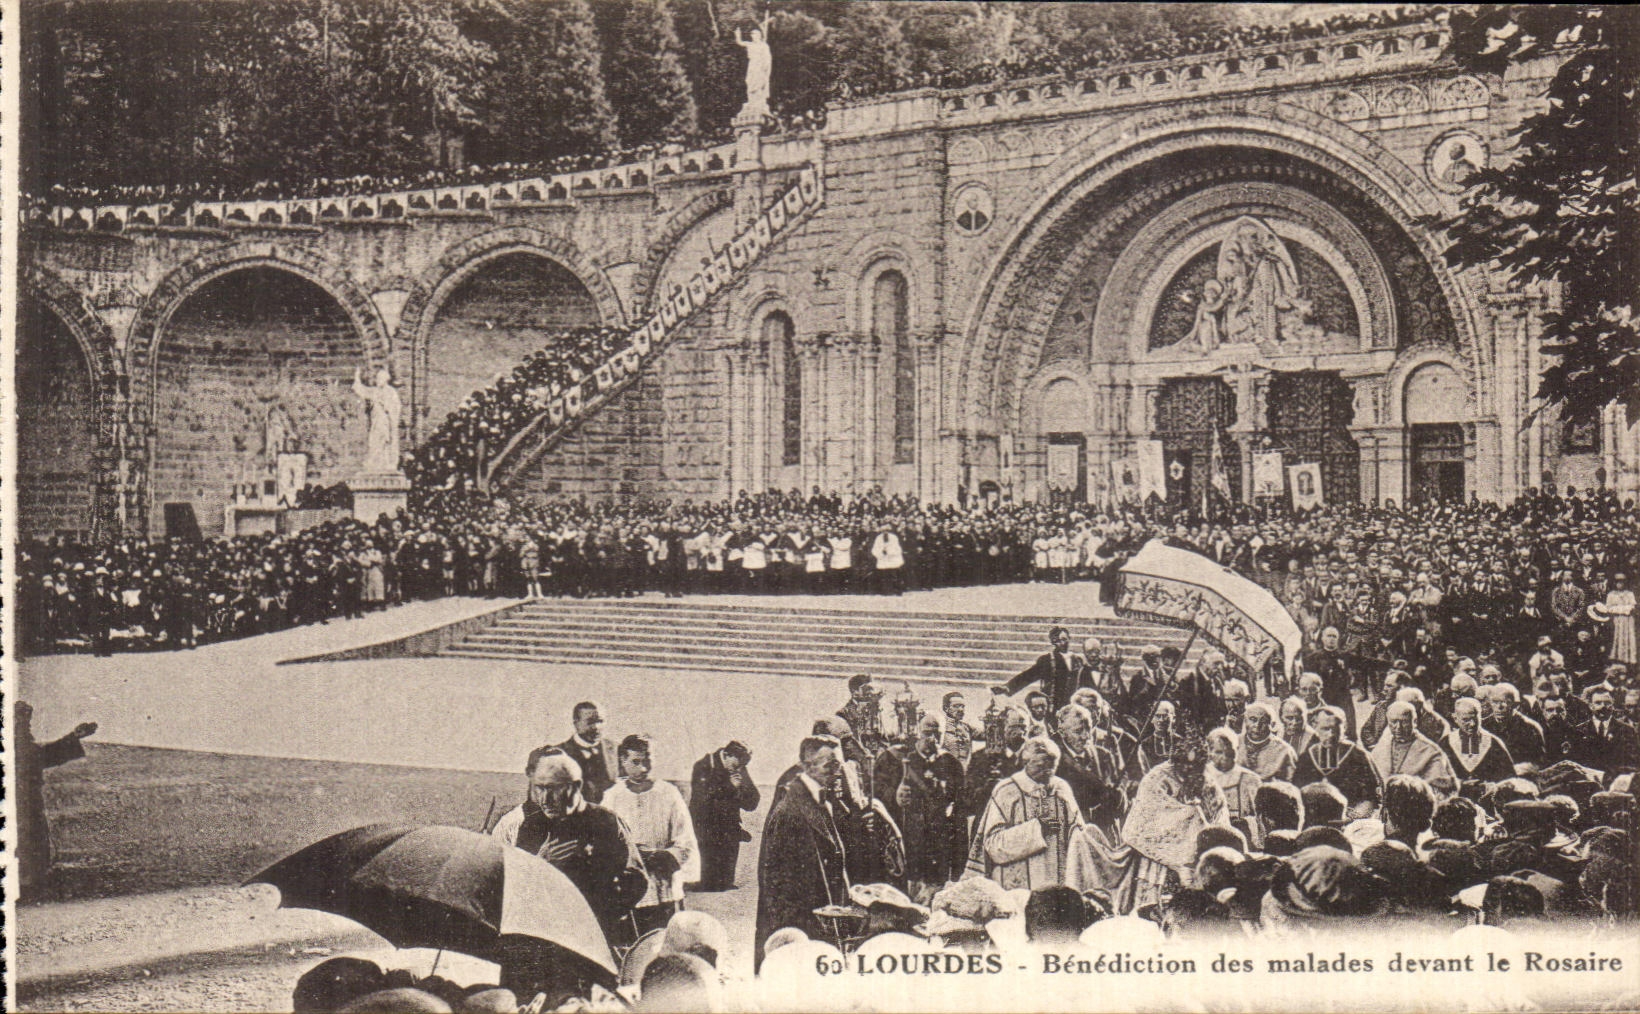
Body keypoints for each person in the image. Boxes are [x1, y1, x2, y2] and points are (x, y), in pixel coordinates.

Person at [490, 748, 647, 944]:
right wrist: (540, 864)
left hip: (595, 937)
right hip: (544, 936)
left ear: (576, 786)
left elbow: (636, 882)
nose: (545, 799)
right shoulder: (530, 825)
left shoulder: (606, 822)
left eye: (554, 789)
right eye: (540, 788)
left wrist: (590, 910)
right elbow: (514, 887)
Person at [755, 736, 857, 969]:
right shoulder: (790, 812)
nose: (837, 772)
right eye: (830, 766)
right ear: (806, 766)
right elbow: (777, 888)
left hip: (822, 926)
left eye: (839, 765)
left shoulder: (819, 800)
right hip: (804, 933)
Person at [604, 735, 699, 936]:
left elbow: (685, 839)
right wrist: (632, 856)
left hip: (664, 886)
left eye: (647, 761)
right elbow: (604, 840)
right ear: (623, 761)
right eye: (635, 762)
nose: (643, 769)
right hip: (628, 888)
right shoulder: (612, 797)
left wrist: (663, 856)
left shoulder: (668, 793)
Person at [963, 736, 1084, 890]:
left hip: (1057, 884)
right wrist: (1036, 830)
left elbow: (1078, 831)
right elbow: (993, 846)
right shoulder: (1007, 791)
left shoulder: (1061, 788)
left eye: (1052, 767)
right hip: (1017, 888)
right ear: (1026, 763)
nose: (1048, 772)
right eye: (1041, 767)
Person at [14, 702, 97, 901]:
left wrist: (74, 736)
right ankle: (27, 885)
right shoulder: (17, 744)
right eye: (23, 721)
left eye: (26, 721)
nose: (26, 726)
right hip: (22, 801)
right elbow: (44, 756)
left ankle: (28, 884)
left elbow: (43, 755)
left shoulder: (21, 744)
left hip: (28, 800)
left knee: (32, 840)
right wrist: (74, 737)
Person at [893, 714, 967, 892]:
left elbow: (960, 804)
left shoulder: (951, 763)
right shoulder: (903, 761)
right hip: (912, 835)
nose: (932, 738)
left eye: (937, 733)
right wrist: (897, 796)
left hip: (940, 837)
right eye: (927, 733)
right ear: (919, 733)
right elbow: (888, 797)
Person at [688, 741, 759, 892]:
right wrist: (729, 787)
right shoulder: (704, 766)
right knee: (708, 880)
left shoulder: (739, 768)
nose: (739, 768)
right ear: (727, 755)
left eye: (742, 765)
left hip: (729, 828)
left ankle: (726, 881)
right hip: (705, 826)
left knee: (726, 881)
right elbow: (702, 802)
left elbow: (753, 801)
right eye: (736, 765)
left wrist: (740, 790)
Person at [1293, 707, 1381, 817]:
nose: (1331, 734)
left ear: (1344, 727)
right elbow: (1297, 793)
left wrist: (1356, 815)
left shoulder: (1358, 756)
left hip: (1351, 817)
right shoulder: (1306, 758)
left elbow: (1372, 797)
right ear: (1316, 728)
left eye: (1335, 729)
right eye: (1325, 729)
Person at [1367, 702, 1457, 800]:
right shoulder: (1383, 745)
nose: (1398, 727)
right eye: (1393, 722)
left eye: (1404, 722)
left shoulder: (1431, 751)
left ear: (1414, 722)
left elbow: (1442, 790)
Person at [1000, 626, 1089, 714]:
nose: (1062, 643)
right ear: (1053, 642)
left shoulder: (1078, 661)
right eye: (1057, 641)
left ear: (1069, 639)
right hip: (1053, 708)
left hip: (1073, 707)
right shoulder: (1047, 660)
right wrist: (1009, 687)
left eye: (1064, 639)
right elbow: (1029, 675)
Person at [1440, 698, 1515, 785]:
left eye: (1475, 719)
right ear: (1456, 719)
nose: (1472, 724)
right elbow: (1438, 777)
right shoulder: (1446, 743)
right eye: (1465, 720)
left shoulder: (1493, 743)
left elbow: (1509, 778)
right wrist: (1459, 783)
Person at [553, 701, 615, 804]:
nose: (596, 727)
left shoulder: (616, 750)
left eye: (600, 721)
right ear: (576, 723)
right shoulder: (558, 754)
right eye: (590, 722)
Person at [1568, 686, 1640, 774]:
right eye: (1598, 703)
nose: (1603, 706)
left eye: (1607, 703)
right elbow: (1576, 763)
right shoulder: (1579, 731)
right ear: (1591, 706)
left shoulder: (1627, 730)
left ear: (1612, 705)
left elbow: (1632, 762)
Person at [1238, 702, 1297, 782]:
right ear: (1245, 720)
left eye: (1264, 721)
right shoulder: (1234, 743)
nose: (1257, 725)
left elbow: (1290, 785)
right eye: (1253, 720)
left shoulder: (1285, 751)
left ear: (1272, 725)